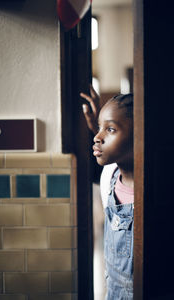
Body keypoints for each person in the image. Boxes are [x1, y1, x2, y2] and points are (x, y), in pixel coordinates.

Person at [80, 86, 134, 300]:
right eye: (99, 128)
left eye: (110, 129)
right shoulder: (109, 176)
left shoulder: (158, 193)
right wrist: (101, 129)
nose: (97, 137)